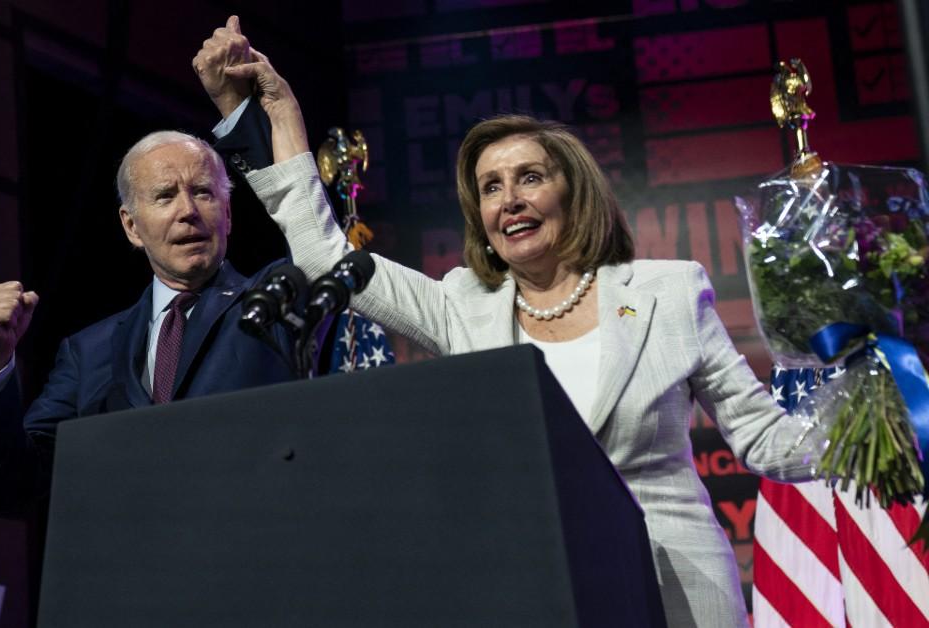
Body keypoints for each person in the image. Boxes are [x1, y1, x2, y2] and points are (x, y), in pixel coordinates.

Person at [196, 26, 827, 627]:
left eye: (530, 177)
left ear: (572, 191)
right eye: (491, 188)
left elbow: (762, 439)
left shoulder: (670, 292)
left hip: (677, 586)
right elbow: (324, 256)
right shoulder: (460, 304)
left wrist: (876, 425)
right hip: (543, 587)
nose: (510, 200)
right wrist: (276, 114)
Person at [0, 129, 295, 514]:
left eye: (203, 192)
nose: (188, 210)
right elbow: (9, 489)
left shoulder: (273, 301)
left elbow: (317, 248)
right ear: (131, 226)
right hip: (128, 567)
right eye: (165, 196)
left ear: (227, 213)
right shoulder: (88, 353)